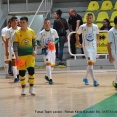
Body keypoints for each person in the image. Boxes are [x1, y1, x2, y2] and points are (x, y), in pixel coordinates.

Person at [13, 17, 37, 95]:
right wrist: (16, 56)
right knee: (22, 73)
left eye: (23, 22)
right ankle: (23, 89)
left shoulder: (31, 32)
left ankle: (31, 88)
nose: (22, 24)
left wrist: (35, 50)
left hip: (30, 55)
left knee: (31, 71)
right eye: (21, 22)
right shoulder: (16, 33)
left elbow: (34, 43)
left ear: (27, 23)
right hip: (21, 56)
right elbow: (15, 46)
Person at [76, 13, 100, 86]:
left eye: (90, 18)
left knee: (91, 64)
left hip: (93, 47)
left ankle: (85, 78)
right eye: (88, 18)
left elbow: (98, 34)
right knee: (90, 62)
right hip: (86, 47)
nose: (89, 19)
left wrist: (98, 41)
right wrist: (78, 43)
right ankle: (94, 80)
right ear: (86, 18)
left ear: (92, 19)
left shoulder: (95, 27)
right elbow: (77, 34)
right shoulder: (82, 27)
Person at [36, 18, 59, 84]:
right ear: (44, 24)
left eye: (48, 23)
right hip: (45, 50)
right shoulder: (41, 33)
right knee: (48, 64)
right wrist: (40, 45)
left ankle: (47, 76)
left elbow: (57, 39)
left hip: (52, 50)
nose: (47, 24)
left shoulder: (54, 31)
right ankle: (50, 79)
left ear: (50, 23)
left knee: (52, 66)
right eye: (45, 23)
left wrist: (54, 43)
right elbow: (37, 41)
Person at [6, 16, 20, 83]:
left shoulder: (20, 29)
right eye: (13, 20)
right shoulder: (8, 31)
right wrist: (6, 51)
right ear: (11, 22)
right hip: (12, 48)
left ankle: (18, 74)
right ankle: (15, 77)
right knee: (14, 62)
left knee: (19, 62)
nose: (15, 22)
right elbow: (6, 41)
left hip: (20, 48)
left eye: (16, 20)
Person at [107, 16, 117, 88]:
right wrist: (110, 56)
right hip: (114, 53)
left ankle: (115, 82)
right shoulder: (111, 31)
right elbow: (108, 44)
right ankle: (115, 82)